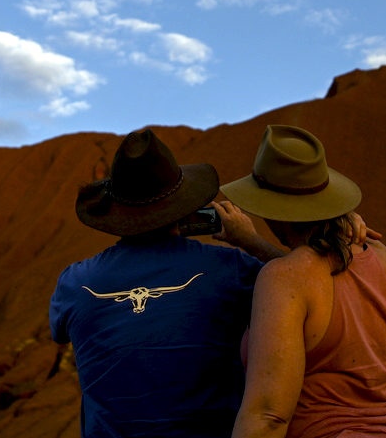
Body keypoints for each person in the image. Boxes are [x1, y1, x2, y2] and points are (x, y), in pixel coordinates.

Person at [49, 127, 284, 438]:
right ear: (183, 204)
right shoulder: (232, 268)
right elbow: (301, 284)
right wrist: (251, 241)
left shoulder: (74, 283)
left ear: (117, 209)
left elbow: (60, 333)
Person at [224, 125, 386, 438]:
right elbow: (320, 275)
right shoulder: (385, 260)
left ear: (271, 210)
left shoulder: (285, 278)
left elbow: (268, 414)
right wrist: (249, 240)